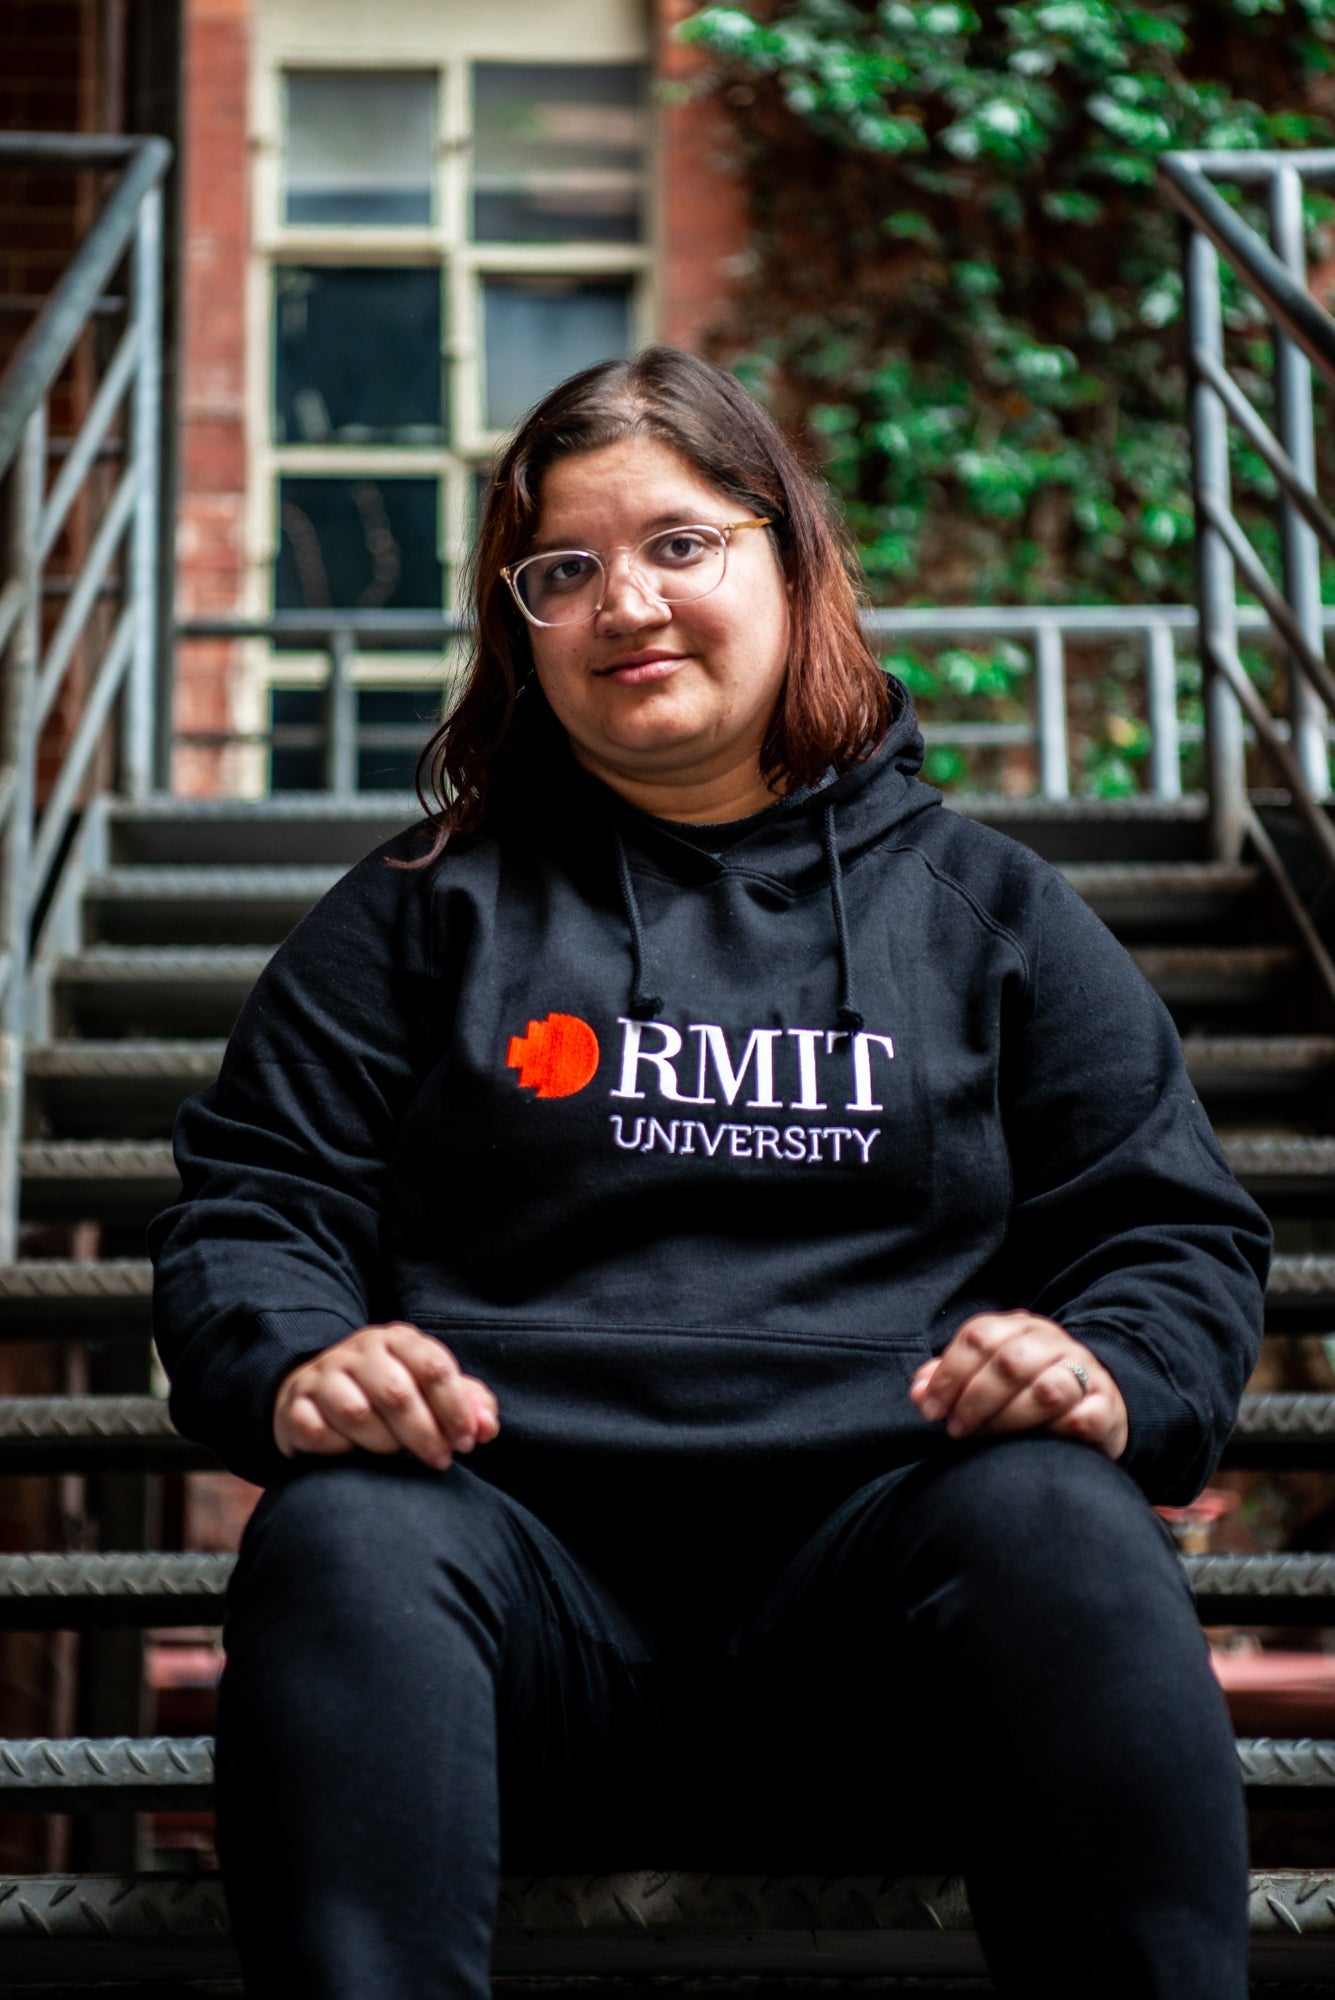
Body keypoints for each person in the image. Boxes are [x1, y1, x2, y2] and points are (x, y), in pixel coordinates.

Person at [149, 346, 1270, 2000]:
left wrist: (1103, 1367)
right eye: (563, 570)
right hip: (507, 1652)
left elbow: (1170, 1229)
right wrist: (306, 1359)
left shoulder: (992, 918)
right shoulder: (411, 918)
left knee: (1056, 1509)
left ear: (790, 560)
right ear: (522, 628)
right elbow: (256, 1208)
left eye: (679, 543)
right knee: (349, 1531)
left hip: (892, 1664)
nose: (625, 604)